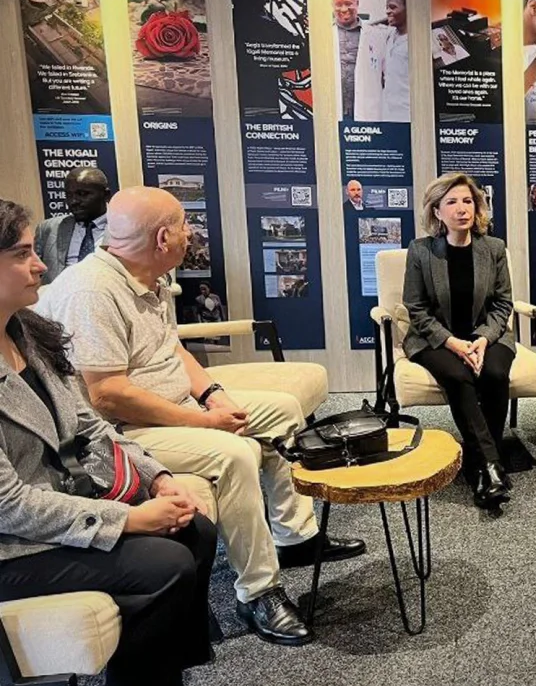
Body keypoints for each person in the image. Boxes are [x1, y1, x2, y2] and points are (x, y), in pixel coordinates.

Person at [37, 187, 365, 647]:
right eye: (183, 224)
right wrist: (206, 424)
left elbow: (172, 349)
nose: (190, 232)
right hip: (120, 432)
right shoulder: (91, 291)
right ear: (163, 238)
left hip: (174, 409)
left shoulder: (150, 277)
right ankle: (258, 592)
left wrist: (214, 396)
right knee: (236, 453)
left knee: (283, 412)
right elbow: (106, 396)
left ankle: (296, 537)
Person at [0, 199, 216, 686]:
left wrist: (158, 477)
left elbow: (89, 424)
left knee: (197, 530)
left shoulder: (28, 333)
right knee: (165, 562)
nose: (41, 265)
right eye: (22, 254)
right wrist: (130, 520)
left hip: (62, 503)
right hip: (12, 545)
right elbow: (9, 506)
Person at [402, 173, 516, 510]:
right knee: (458, 375)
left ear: (477, 208)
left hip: (487, 333)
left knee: (495, 373)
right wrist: (452, 342)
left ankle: (480, 463)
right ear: (437, 211)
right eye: (451, 202)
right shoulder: (421, 251)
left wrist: (482, 340)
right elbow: (416, 308)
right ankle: (491, 464)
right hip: (435, 338)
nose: (461, 209)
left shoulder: (493, 248)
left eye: (467, 201)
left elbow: (503, 303)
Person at [34, 166, 111, 285]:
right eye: (69, 195)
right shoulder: (48, 229)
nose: (73, 201)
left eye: (82, 194)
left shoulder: (125, 228)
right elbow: (34, 271)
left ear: (106, 195)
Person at [355, 0, 410, 123]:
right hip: (387, 113)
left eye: (393, 7)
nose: (387, 11)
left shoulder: (417, 41)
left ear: (408, 9)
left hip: (407, 113)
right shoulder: (389, 35)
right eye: (387, 7)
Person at [332, 0, 362, 120]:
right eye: (338, 4)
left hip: (363, 105)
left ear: (357, 3)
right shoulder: (323, 33)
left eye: (348, 3)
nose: (344, 9)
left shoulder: (375, 34)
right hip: (333, 105)